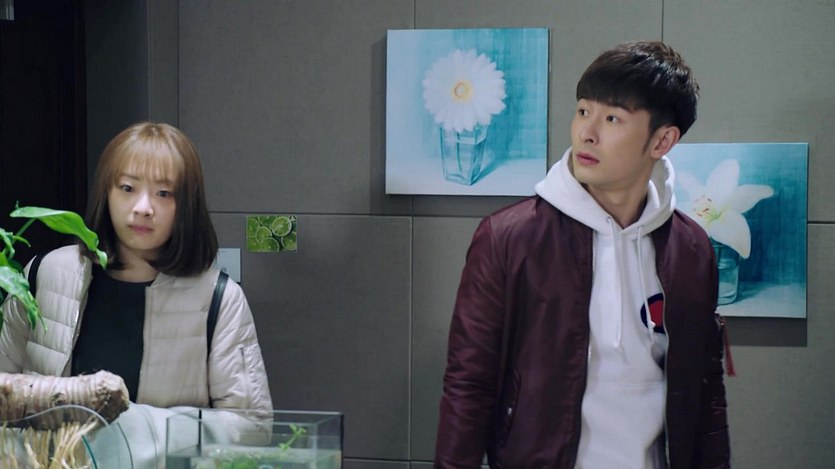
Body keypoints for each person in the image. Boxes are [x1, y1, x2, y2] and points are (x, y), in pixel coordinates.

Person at [434, 41, 730, 468]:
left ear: (662, 140)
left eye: (612, 118)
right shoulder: (509, 238)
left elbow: (706, 392)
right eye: (583, 111)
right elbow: (469, 385)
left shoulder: (692, 249)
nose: (586, 133)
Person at [0, 122, 273, 464]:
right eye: (128, 187)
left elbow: (251, 425)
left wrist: (130, 431)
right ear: (107, 192)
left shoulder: (219, 298)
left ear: (186, 205)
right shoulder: (45, 273)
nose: (143, 207)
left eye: (164, 193)